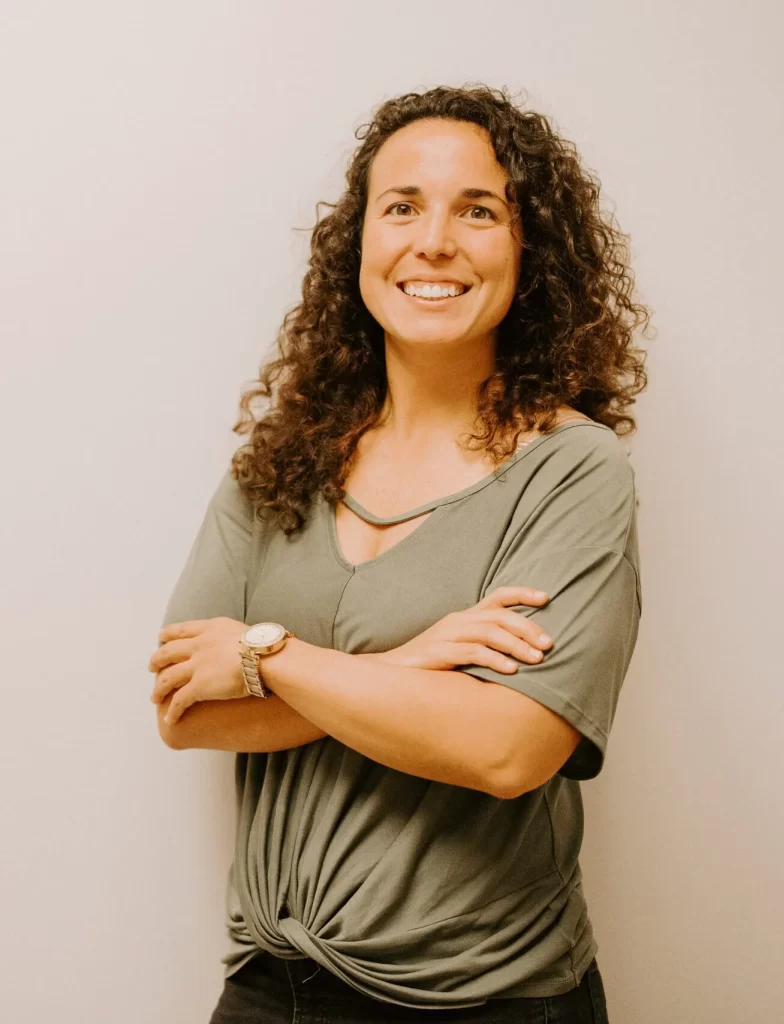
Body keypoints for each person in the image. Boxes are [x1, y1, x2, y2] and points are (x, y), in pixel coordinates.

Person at [148, 83, 650, 1024]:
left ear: (529, 248)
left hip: (489, 1000)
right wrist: (416, 663)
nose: (434, 242)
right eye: (402, 207)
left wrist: (269, 657)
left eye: (478, 210)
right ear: (359, 244)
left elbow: (507, 749)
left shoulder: (573, 470)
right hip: (271, 988)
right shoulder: (284, 457)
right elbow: (187, 707)